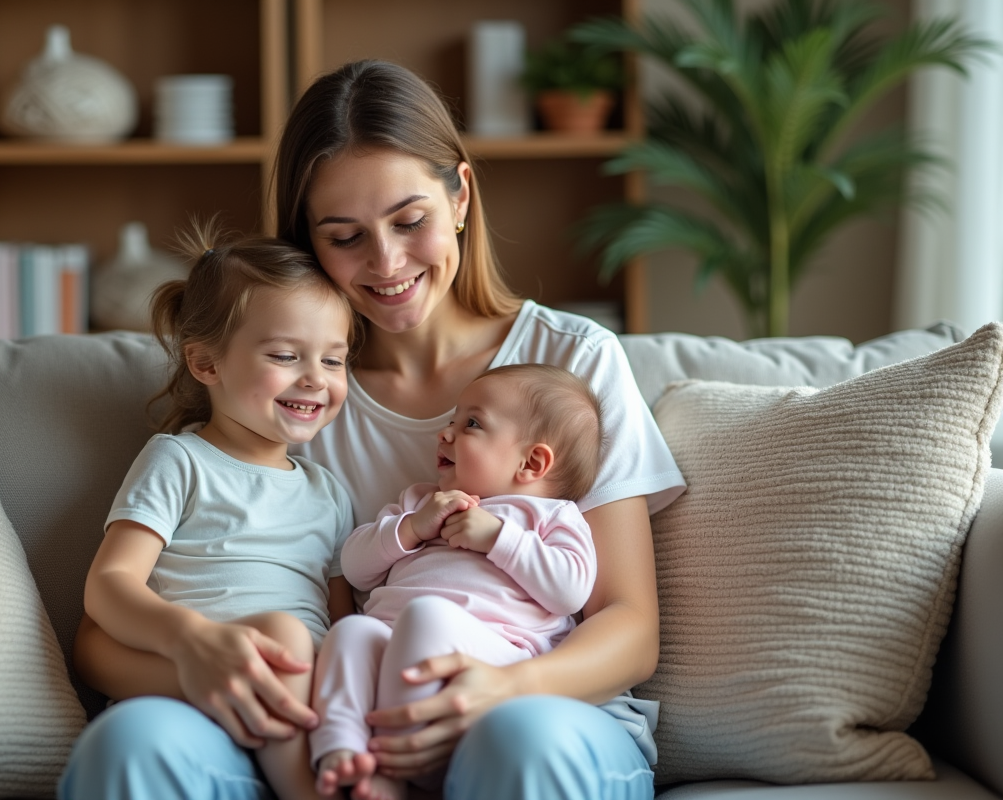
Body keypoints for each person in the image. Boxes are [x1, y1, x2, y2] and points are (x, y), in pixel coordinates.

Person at [64, 59, 686, 800]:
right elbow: (106, 635)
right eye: (345, 235)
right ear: (309, 244)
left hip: (539, 711)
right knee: (134, 744)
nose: (386, 262)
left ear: (459, 195)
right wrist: (207, 663)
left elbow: (629, 626)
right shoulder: (294, 394)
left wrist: (507, 688)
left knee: (520, 739)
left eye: (410, 220)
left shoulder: (571, 360)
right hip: (335, 726)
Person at [58, 220, 359, 800]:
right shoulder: (181, 460)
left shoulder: (329, 493)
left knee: (303, 641)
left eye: (334, 360)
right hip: (191, 697)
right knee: (281, 635)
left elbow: (343, 622)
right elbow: (112, 583)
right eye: (285, 354)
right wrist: (188, 638)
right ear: (206, 364)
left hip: (304, 707)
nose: (314, 379)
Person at [311, 364, 603, 800]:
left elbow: (571, 590)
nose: (445, 433)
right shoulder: (420, 502)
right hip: (391, 644)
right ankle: (342, 751)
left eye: (471, 423)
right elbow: (355, 567)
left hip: (491, 659)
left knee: (426, 616)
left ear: (532, 462)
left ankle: (399, 762)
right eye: (452, 420)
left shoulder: (549, 517)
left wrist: (499, 539)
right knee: (350, 631)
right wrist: (412, 529)